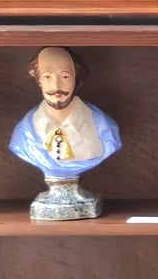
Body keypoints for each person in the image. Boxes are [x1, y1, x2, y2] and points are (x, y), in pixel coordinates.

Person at [9, 46, 121, 181]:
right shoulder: (24, 134)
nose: (56, 86)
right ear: (38, 80)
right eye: (47, 77)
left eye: (65, 76)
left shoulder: (105, 129)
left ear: (76, 79)